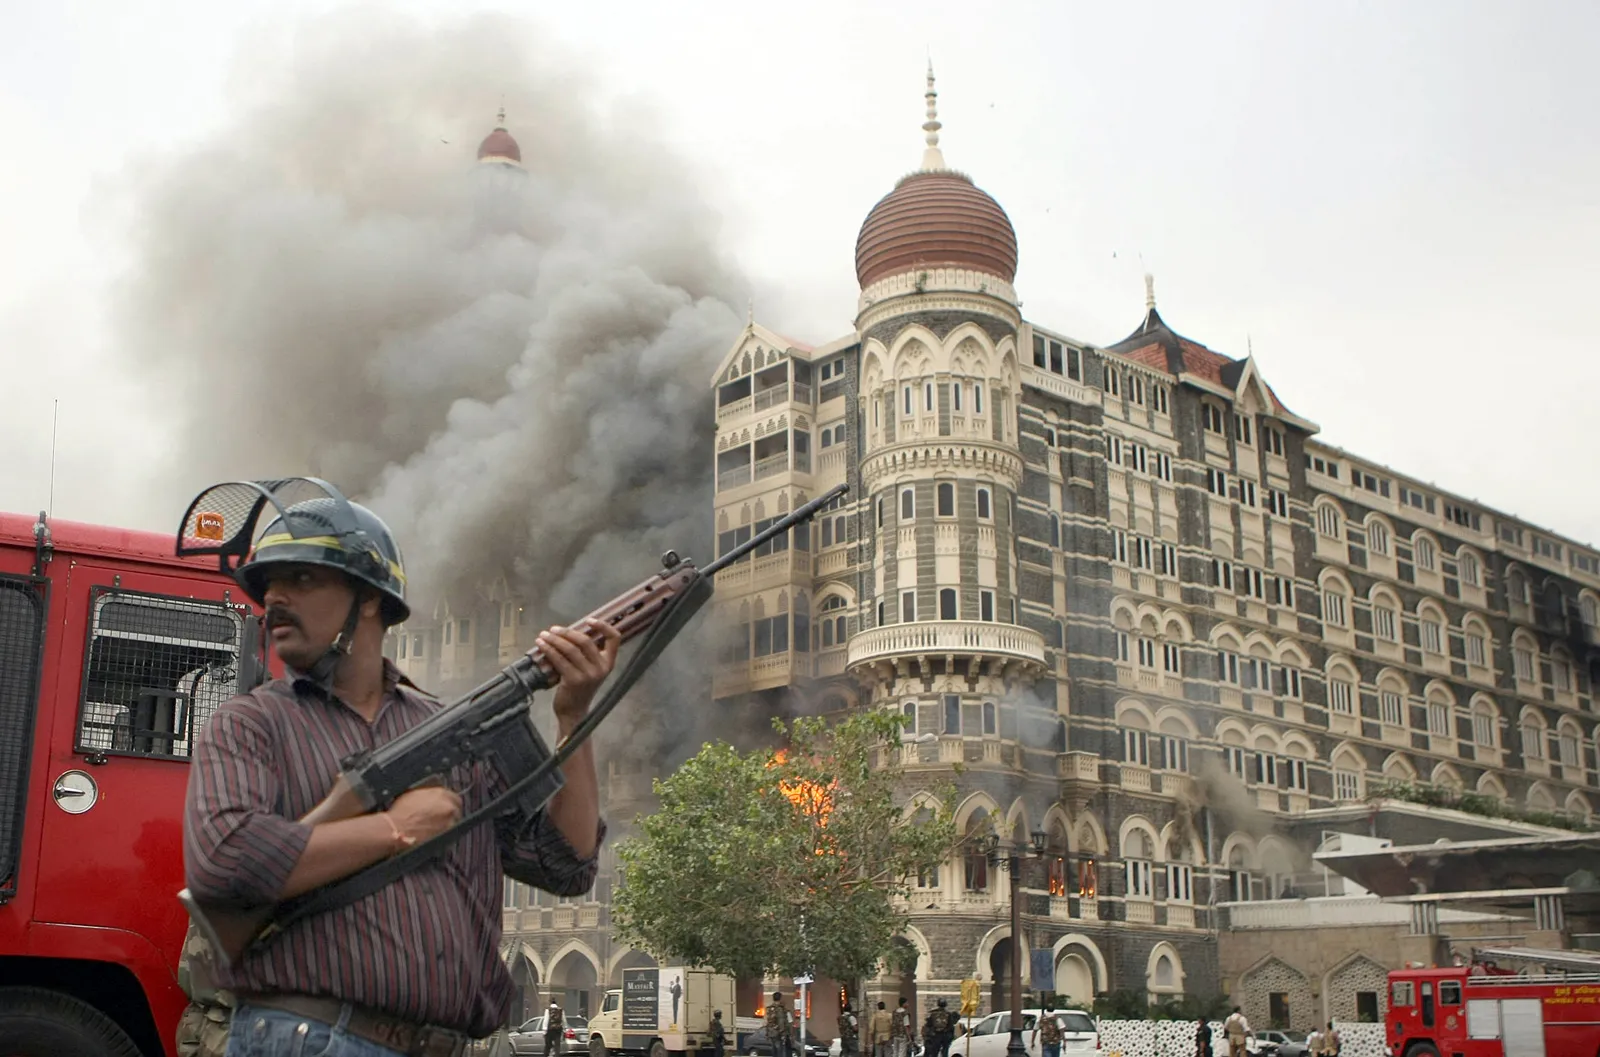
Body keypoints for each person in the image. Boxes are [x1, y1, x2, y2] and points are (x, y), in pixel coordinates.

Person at [182, 493, 617, 1056]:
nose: (275, 598)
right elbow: (226, 860)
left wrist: (573, 717)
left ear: (368, 600)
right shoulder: (251, 723)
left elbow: (566, 864)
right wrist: (395, 830)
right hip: (311, 1039)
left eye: (302, 577)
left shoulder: (451, 730)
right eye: (269, 584)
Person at [766, 991, 794, 1057]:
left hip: (772, 1033)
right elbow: (787, 1022)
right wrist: (787, 1034)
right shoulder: (783, 1009)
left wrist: (768, 1033)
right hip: (781, 1034)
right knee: (782, 1051)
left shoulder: (769, 1009)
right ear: (780, 999)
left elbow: (767, 1021)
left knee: (774, 1050)